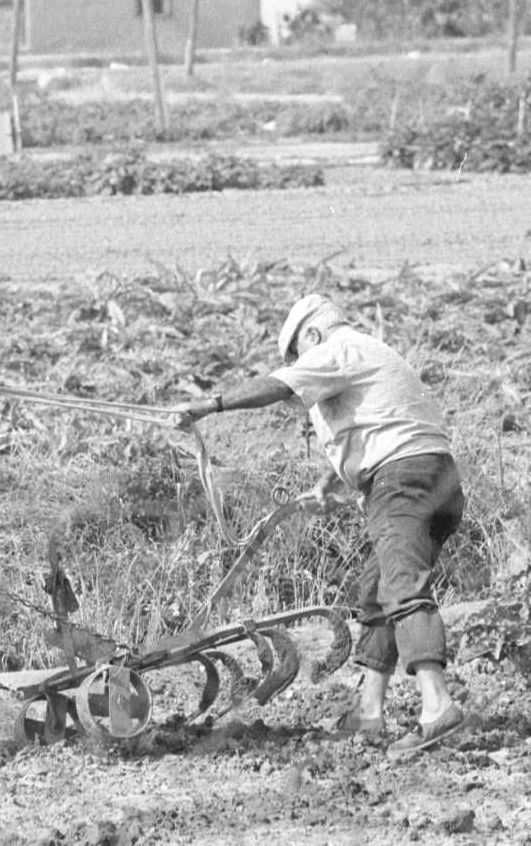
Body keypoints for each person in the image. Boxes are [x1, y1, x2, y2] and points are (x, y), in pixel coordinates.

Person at [170, 294, 467, 756]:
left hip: (401, 480)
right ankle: (369, 710)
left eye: (297, 356)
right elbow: (379, 420)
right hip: (438, 479)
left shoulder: (336, 348)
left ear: (310, 335)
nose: (298, 365)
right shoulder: (372, 353)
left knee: (403, 588)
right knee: (376, 590)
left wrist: (208, 405)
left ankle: (437, 706)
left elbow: (278, 386)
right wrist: (330, 480)